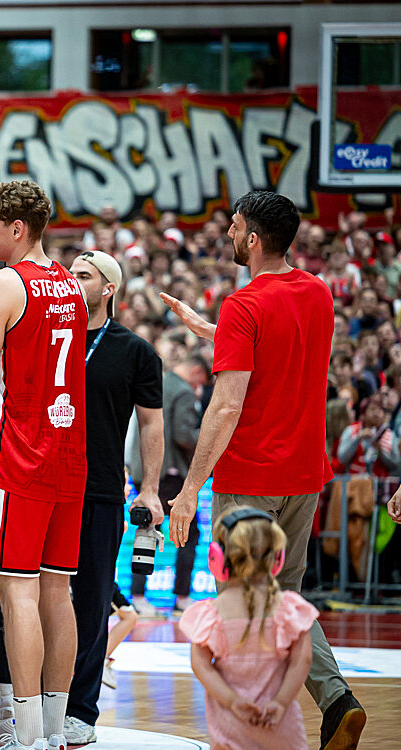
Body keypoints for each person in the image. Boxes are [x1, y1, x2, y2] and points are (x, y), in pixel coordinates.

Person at [161, 190, 366, 750]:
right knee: (285, 599)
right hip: (305, 474)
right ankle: (335, 702)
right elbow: (283, 347)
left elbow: (226, 406)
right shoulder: (319, 293)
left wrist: (187, 493)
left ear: (251, 238)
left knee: (246, 606)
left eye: (232, 227)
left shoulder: (244, 306)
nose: (227, 233)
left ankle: (248, 726)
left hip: (252, 477)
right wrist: (212, 330)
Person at [0, 180, 87, 750]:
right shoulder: (73, 286)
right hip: (68, 455)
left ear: (17, 229)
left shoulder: (3, 283)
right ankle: (53, 730)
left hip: (17, 457)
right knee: (59, 595)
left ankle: (26, 736)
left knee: (18, 595)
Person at [53, 250, 163, 746]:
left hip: (98, 489)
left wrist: (152, 489)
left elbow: (152, 423)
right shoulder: (47, 337)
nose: (71, 281)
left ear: (108, 289)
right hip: (42, 485)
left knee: (93, 601)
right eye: (69, 274)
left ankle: (80, 710)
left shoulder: (135, 351)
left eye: (83, 275)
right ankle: (34, 702)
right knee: (34, 597)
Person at [178, 507, 318, 750]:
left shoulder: (211, 613)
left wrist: (232, 702)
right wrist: (280, 703)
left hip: (231, 724)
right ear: (277, 558)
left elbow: (200, 664)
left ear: (218, 558)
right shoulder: (289, 608)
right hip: (279, 724)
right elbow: (302, 660)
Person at [131, 354, 207, 616]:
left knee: (146, 531)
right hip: (170, 472)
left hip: (143, 467)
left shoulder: (159, 382)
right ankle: (181, 597)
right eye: (202, 381)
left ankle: (138, 596)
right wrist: (207, 442)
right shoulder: (184, 392)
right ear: (196, 372)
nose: (200, 387)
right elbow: (183, 434)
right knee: (188, 533)